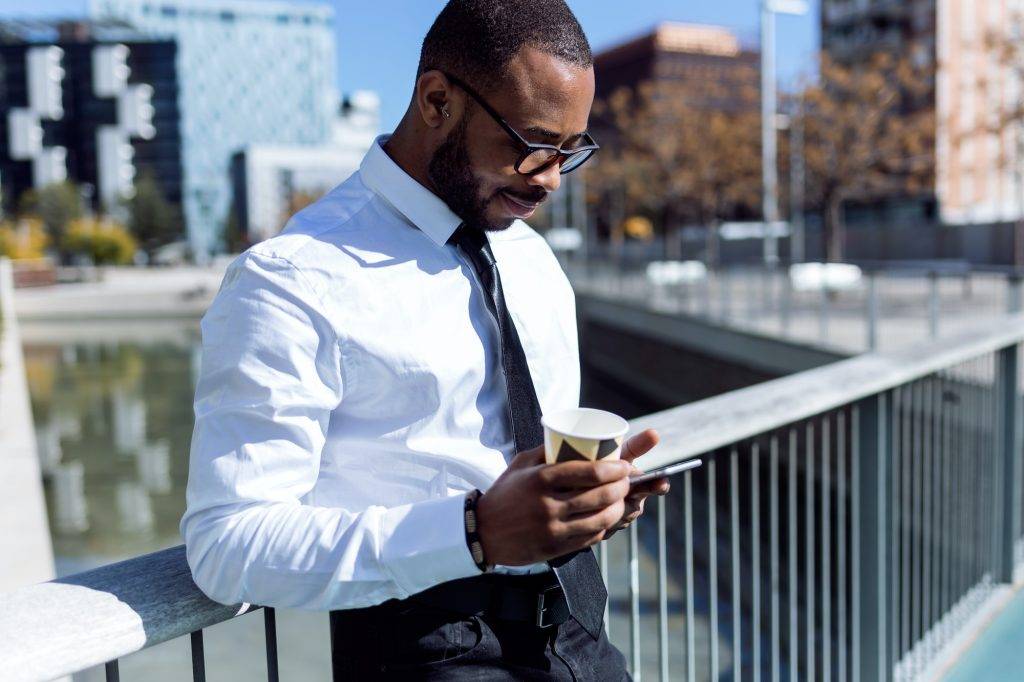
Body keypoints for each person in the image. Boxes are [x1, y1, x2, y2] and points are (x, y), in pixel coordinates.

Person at [181, 1, 669, 678]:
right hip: (425, 651)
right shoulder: (292, 278)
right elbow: (226, 544)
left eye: (570, 151)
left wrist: (585, 503)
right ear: (437, 99)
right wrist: (474, 533)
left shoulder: (532, 259)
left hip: (579, 634)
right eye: (532, 142)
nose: (552, 177)